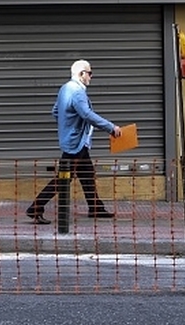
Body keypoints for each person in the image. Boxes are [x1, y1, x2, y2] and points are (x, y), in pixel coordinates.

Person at [26, 59, 122, 225]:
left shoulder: (65, 88)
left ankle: (95, 208)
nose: (91, 77)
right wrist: (111, 128)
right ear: (81, 74)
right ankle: (35, 207)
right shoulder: (77, 91)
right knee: (62, 179)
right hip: (75, 144)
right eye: (89, 73)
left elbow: (55, 111)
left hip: (75, 142)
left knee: (88, 175)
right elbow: (87, 114)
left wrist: (67, 125)